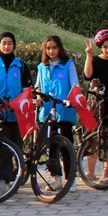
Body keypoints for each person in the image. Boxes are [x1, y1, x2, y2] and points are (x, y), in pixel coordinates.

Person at [0, 31, 33, 190]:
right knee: (1, 147)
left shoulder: (21, 65)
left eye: (10, 43)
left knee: (16, 146)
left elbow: (26, 88)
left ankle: (13, 178)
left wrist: (18, 102)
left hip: (16, 113)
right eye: (4, 43)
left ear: (14, 45)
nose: (7, 46)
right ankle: (3, 181)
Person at [36, 35, 79, 191]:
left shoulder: (67, 65)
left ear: (59, 48)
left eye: (54, 47)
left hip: (63, 111)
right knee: (51, 147)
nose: (51, 51)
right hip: (48, 112)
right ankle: (56, 177)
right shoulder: (42, 67)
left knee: (65, 145)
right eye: (48, 48)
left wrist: (69, 100)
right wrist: (39, 98)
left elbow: (75, 85)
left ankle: (70, 178)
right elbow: (38, 86)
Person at [83, 29, 108, 182]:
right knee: (93, 138)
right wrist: (88, 55)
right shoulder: (95, 60)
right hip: (95, 104)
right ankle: (91, 171)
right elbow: (87, 75)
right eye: (105, 47)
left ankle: (106, 172)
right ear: (101, 48)